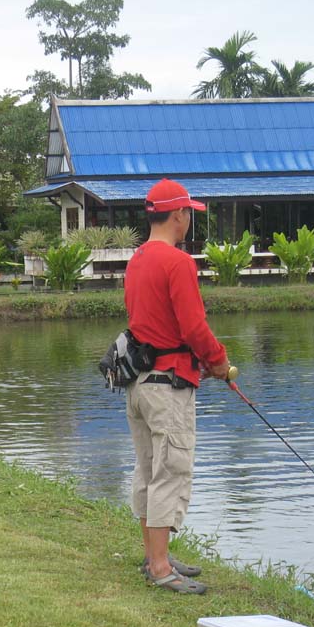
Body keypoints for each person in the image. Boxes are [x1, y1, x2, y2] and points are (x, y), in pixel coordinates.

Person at [123, 179, 230, 594]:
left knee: (148, 469)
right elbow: (194, 327)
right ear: (180, 215)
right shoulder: (178, 262)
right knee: (171, 470)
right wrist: (218, 361)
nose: (190, 221)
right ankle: (161, 566)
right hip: (168, 386)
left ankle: (154, 556)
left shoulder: (138, 258)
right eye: (190, 214)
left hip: (138, 384)